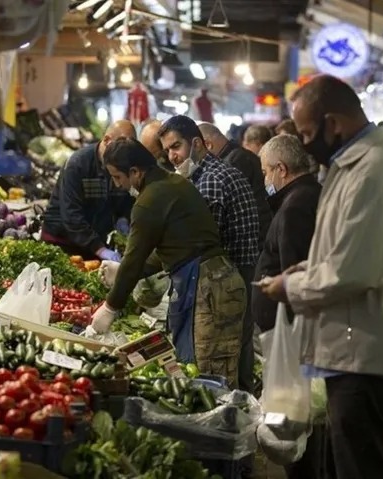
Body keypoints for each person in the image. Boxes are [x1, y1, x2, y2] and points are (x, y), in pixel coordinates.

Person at [260, 75, 383, 479]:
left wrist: (291, 286)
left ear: (332, 122)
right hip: (359, 350)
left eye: (306, 132)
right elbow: (350, 249)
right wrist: (308, 269)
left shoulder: (375, 170)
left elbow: (354, 270)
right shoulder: (355, 164)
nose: (303, 143)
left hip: (372, 355)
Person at [85, 137, 245, 388]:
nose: (117, 185)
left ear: (135, 172)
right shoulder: (176, 183)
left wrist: (110, 308)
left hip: (205, 289)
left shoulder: (149, 200)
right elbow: (170, 247)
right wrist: (126, 272)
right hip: (218, 282)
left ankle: (214, 426)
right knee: (212, 374)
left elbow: (136, 257)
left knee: (206, 379)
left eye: (118, 177)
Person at [159, 115, 260, 393]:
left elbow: (195, 243)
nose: (173, 156)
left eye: (176, 146)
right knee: (236, 358)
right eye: (167, 150)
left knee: (219, 368)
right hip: (234, 281)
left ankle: (229, 423)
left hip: (225, 283)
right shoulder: (212, 173)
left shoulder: (211, 180)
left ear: (197, 143)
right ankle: (241, 415)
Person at [252, 134, 325, 479]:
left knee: (294, 415)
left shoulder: (296, 206)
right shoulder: (309, 195)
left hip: (293, 334)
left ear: (281, 169)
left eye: (267, 171)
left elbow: (295, 273)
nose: (265, 179)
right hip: (296, 331)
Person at [40, 120, 136, 261]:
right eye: (119, 149)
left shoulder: (120, 165)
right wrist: (100, 249)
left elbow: (125, 200)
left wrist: (123, 219)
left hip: (92, 244)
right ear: (106, 140)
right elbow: (71, 215)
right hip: (61, 243)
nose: (122, 157)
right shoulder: (78, 164)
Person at [198, 122, 273, 250]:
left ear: (208, 145)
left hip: (254, 243)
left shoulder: (233, 163)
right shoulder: (239, 156)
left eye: (197, 149)